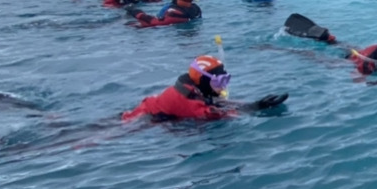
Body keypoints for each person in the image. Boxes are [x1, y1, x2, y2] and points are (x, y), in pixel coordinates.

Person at [121, 56, 288, 122]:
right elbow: (219, 114)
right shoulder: (189, 102)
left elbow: (216, 102)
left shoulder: (195, 88)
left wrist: (254, 102)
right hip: (137, 122)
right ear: (203, 80)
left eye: (226, 79)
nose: (223, 85)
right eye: (220, 80)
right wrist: (258, 107)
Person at [133, 0, 201, 27]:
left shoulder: (175, 13)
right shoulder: (196, 9)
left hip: (163, 28)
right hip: (189, 27)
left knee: (132, 25)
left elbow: (155, 22)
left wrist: (139, 14)